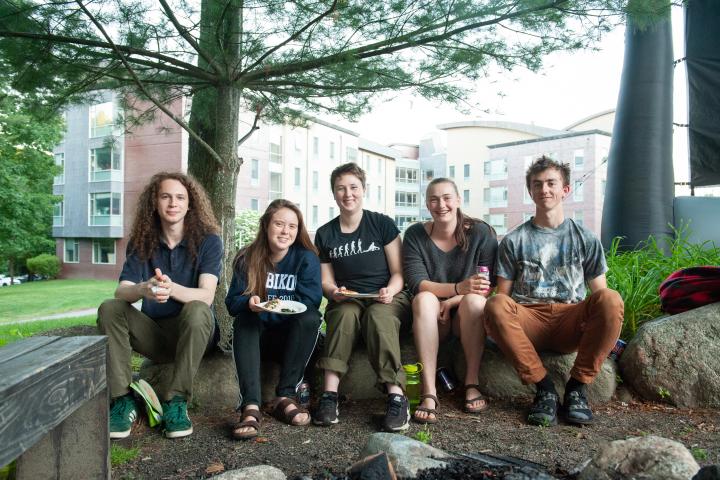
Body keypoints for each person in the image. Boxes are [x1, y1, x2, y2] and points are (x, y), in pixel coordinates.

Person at [484, 156, 624, 426]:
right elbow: (503, 294)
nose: (544, 189)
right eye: (537, 184)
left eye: (551, 183)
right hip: (529, 320)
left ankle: (577, 388)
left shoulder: (585, 238)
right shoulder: (514, 240)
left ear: (565, 190)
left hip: (571, 319)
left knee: (610, 299)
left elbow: (600, 295)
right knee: (496, 304)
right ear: (530, 191)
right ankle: (544, 388)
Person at [97, 172, 222, 439]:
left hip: (196, 332)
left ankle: (175, 402)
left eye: (180, 197)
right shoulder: (142, 240)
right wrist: (143, 289)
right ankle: (122, 400)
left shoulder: (209, 241)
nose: (173, 203)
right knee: (110, 307)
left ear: (190, 204)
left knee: (198, 308)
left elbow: (207, 295)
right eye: (166, 196)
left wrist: (171, 288)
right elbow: (121, 291)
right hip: (156, 336)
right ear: (155, 202)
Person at [313, 162, 412, 432]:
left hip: (386, 296)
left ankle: (396, 396)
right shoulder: (325, 234)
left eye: (353, 187)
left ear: (363, 189)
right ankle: (329, 396)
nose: (348, 194)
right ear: (334, 194)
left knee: (378, 318)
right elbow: (326, 281)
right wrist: (334, 292)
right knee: (343, 315)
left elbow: (399, 273)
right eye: (341, 189)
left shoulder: (381, 224)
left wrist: (390, 291)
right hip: (349, 298)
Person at [403, 177, 497, 424]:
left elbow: (486, 286)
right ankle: (429, 392)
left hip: (466, 314)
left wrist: (455, 299)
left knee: (475, 301)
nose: (440, 204)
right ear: (427, 204)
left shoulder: (481, 233)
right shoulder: (414, 234)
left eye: (446, 198)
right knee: (423, 298)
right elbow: (416, 282)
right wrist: (457, 287)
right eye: (433, 199)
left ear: (458, 200)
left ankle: (471, 383)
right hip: (434, 318)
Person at [225, 199, 322, 440]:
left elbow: (311, 300)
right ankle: (250, 406)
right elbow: (232, 303)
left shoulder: (305, 258)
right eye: (279, 224)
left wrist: (271, 308)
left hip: (291, 339)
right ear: (266, 225)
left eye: (292, 226)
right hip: (257, 339)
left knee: (310, 317)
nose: (285, 231)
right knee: (245, 320)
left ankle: (286, 395)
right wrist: (249, 303)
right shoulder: (247, 257)